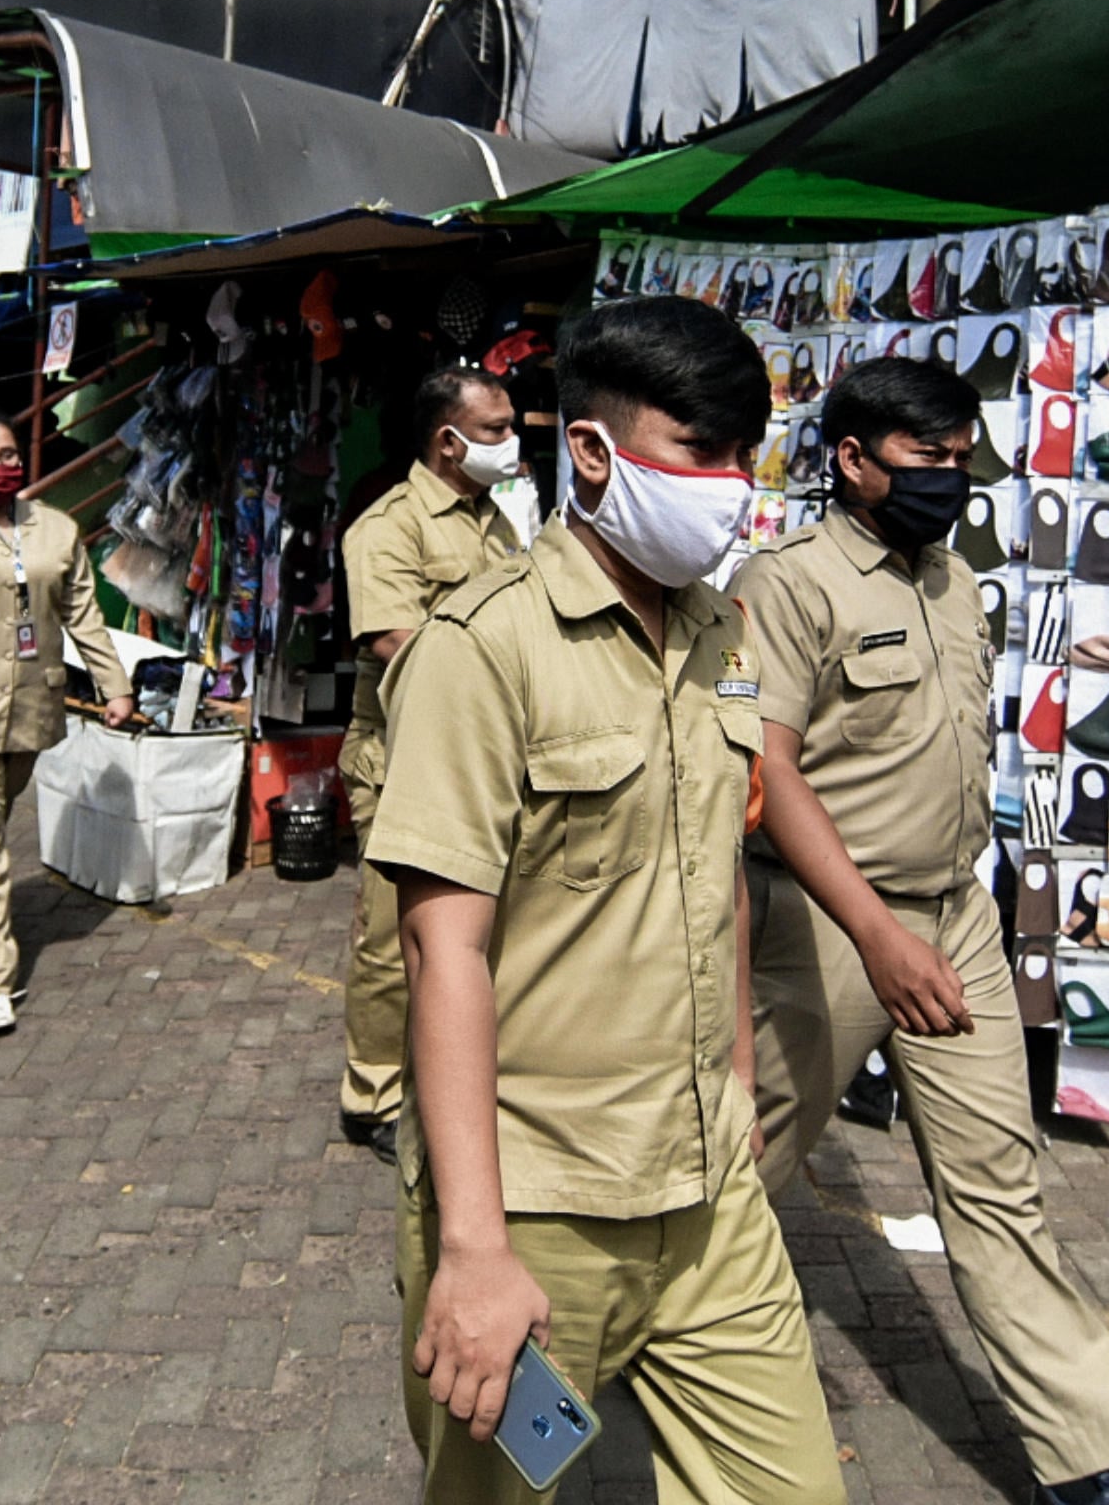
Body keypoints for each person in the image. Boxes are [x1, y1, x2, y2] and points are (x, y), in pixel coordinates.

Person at [371, 295, 843, 1505]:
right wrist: (474, 1248)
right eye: (701, 452)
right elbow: (443, 952)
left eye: (748, 454)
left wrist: (737, 1082)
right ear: (590, 450)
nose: (734, 486)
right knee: (504, 1491)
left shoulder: (720, 629)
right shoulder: (481, 647)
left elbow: (719, 872)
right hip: (539, 1214)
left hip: (708, 1198)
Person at [730, 357, 1109, 1505]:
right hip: (828, 925)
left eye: (962, 455)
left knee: (998, 1186)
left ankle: (1089, 1462)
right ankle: (595, 1346)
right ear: (853, 461)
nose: (954, 477)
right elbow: (766, 771)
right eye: (928, 459)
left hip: (955, 913)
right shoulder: (788, 583)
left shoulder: (953, 580)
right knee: (730, 1170)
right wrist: (874, 933)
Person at [333, 366, 524, 1163]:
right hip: (402, 757)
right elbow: (392, 642)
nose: (512, 443)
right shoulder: (387, 529)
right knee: (392, 939)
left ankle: (458, 1069)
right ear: (448, 442)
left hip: (485, 754)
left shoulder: (498, 523)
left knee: (480, 928)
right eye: (495, 430)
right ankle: (372, 1094)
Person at [0, 409, 134, 1035]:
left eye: (7, 454)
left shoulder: (55, 530)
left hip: (33, 707)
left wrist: (114, 684)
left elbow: (82, 613)